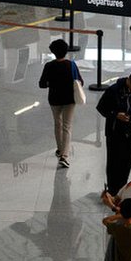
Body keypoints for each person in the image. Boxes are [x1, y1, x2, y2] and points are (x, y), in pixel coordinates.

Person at [96, 72, 131, 196]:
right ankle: (112, 190)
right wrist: (116, 115)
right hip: (115, 132)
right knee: (114, 161)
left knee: (126, 162)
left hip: (130, 131)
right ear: (129, 81)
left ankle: (122, 189)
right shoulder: (113, 90)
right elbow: (101, 107)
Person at [38, 39, 82, 168]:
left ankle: (59, 149)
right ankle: (64, 155)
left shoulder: (49, 66)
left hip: (54, 99)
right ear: (66, 51)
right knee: (67, 126)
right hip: (69, 99)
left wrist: (52, 83)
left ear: (53, 52)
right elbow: (80, 81)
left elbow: (42, 84)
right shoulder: (71, 65)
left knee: (58, 123)